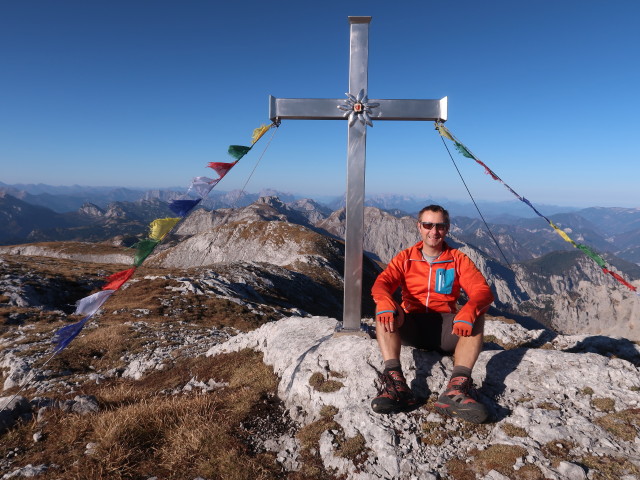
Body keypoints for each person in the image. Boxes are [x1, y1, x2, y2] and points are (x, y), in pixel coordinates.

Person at [370, 204, 494, 423]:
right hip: (413, 326)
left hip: (447, 330)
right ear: (419, 227)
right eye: (428, 225)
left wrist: (469, 310)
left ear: (447, 228)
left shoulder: (458, 259)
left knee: (478, 315)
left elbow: (482, 292)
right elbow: (382, 283)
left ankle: (456, 390)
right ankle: (396, 383)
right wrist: (385, 300)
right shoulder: (405, 258)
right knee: (384, 308)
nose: (433, 231)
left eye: (440, 226)